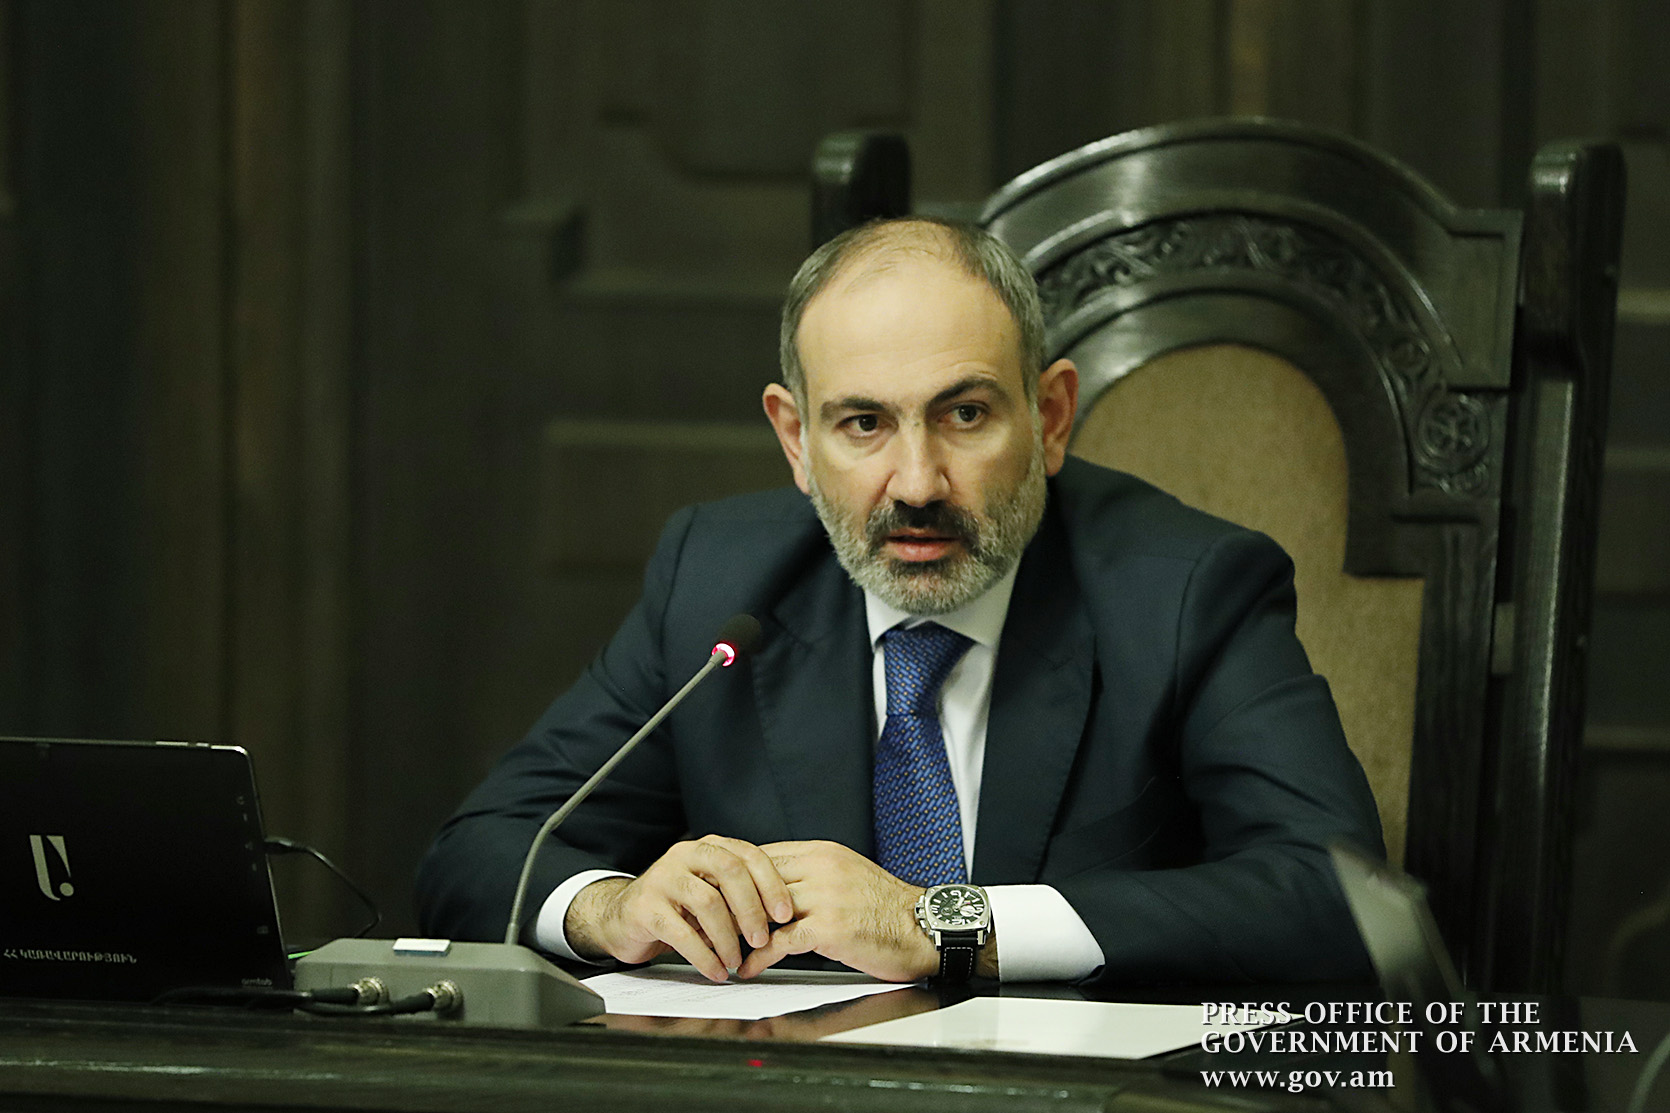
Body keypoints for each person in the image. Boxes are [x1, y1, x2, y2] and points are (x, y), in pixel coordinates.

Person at [415, 217, 1383, 990]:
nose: (916, 482)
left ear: (1049, 417)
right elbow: (479, 854)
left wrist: (945, 926)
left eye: (964, 414)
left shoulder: (1185, 586)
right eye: (863, 423)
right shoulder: (717, 580)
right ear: (795, 439)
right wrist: (612, 907)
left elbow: (1339, 896)